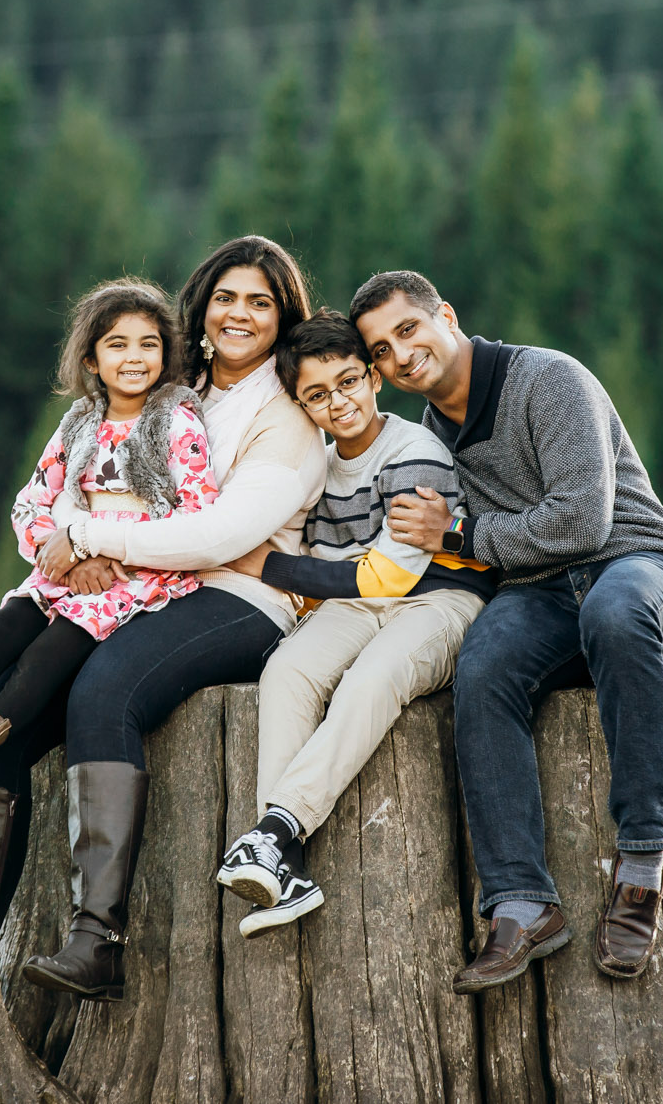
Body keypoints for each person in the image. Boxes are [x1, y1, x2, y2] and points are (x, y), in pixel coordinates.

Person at [351, 269, 663, 993]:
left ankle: (640, 861)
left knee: (615, 612)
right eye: (381, 350)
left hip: (641, 569)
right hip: (539, 592)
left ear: (445, 315)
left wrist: (459, 530)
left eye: (408, 329)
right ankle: (521, 903)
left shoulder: (547, 378)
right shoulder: (431, 436)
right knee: (480, 668)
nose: (400, 353)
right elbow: (457, 554)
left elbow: (582, 520)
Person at [12, 236, 327, 1001]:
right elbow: (79, 466)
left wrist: (90, 535)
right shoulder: (168, 384)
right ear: (201, 304)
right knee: (7, 714)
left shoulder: (288, 418)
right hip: (136, 583)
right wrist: (66, 539)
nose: (239, 314)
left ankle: (97, 939)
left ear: (285, 315)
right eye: (225, 296)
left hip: (240, 599)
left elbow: (220, 536)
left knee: (106, 691)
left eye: (260, 300)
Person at [0, 276, 214, 820]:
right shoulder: (79, 424)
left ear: (166, 355)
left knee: (53, 647)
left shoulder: (176, 420)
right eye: (117, 344)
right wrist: (61, 557)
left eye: (148, 344)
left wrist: (113, 556)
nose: (135, 357)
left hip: (139, 573)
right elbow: (31, 504)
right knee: (14, 617)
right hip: (72, 566)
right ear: (92, 360)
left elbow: (194, 511)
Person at [214, 310, 497, 936]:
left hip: (438, 598)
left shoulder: (415, 452)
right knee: (288, 671)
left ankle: (275, 830)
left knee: (374, 678)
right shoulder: (315, 465)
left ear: (374, 378)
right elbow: (332, 571)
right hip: (353, 603)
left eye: (347, 383)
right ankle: (282, 868)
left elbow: (390, 577)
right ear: (302, 405)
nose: (337, 403)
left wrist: (274, 567)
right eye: (317, 395)